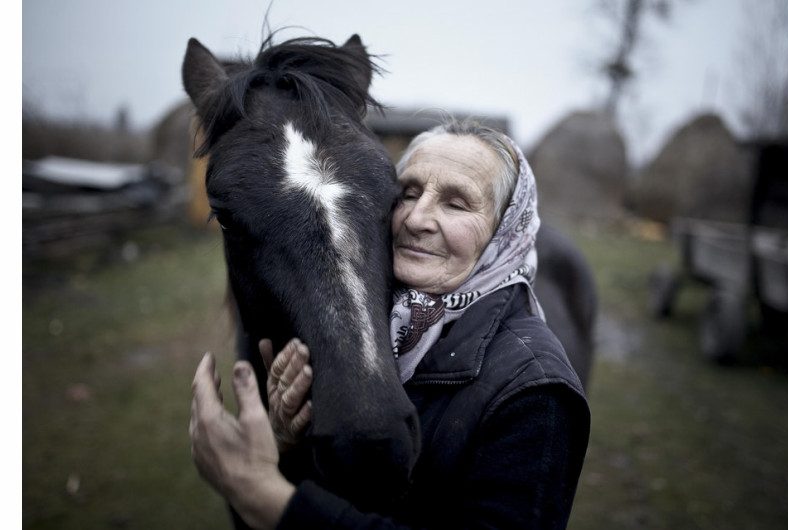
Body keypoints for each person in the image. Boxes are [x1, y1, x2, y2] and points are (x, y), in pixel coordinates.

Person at [190, 119, 591, 529]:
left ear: (506, 232)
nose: (417, 219)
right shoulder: (357, 325)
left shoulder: (536, 392)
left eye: (455, 204)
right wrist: (288, 448)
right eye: (409, 193)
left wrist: (266, 499)